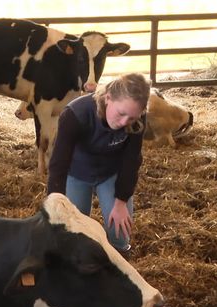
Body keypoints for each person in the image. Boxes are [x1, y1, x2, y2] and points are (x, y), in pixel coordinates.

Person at [47, 73, 151, 259]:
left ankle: (120, 263)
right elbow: (58, 164)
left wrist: (121, 202)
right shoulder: (75, 114)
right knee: (72, 229)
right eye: (121, 114)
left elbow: (131, 160)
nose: (124, 123)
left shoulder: (138, 119)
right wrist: (55, 202)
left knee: (119, 231)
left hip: (111, 173)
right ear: (108, 98)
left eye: (132, 118)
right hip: (76, 173)